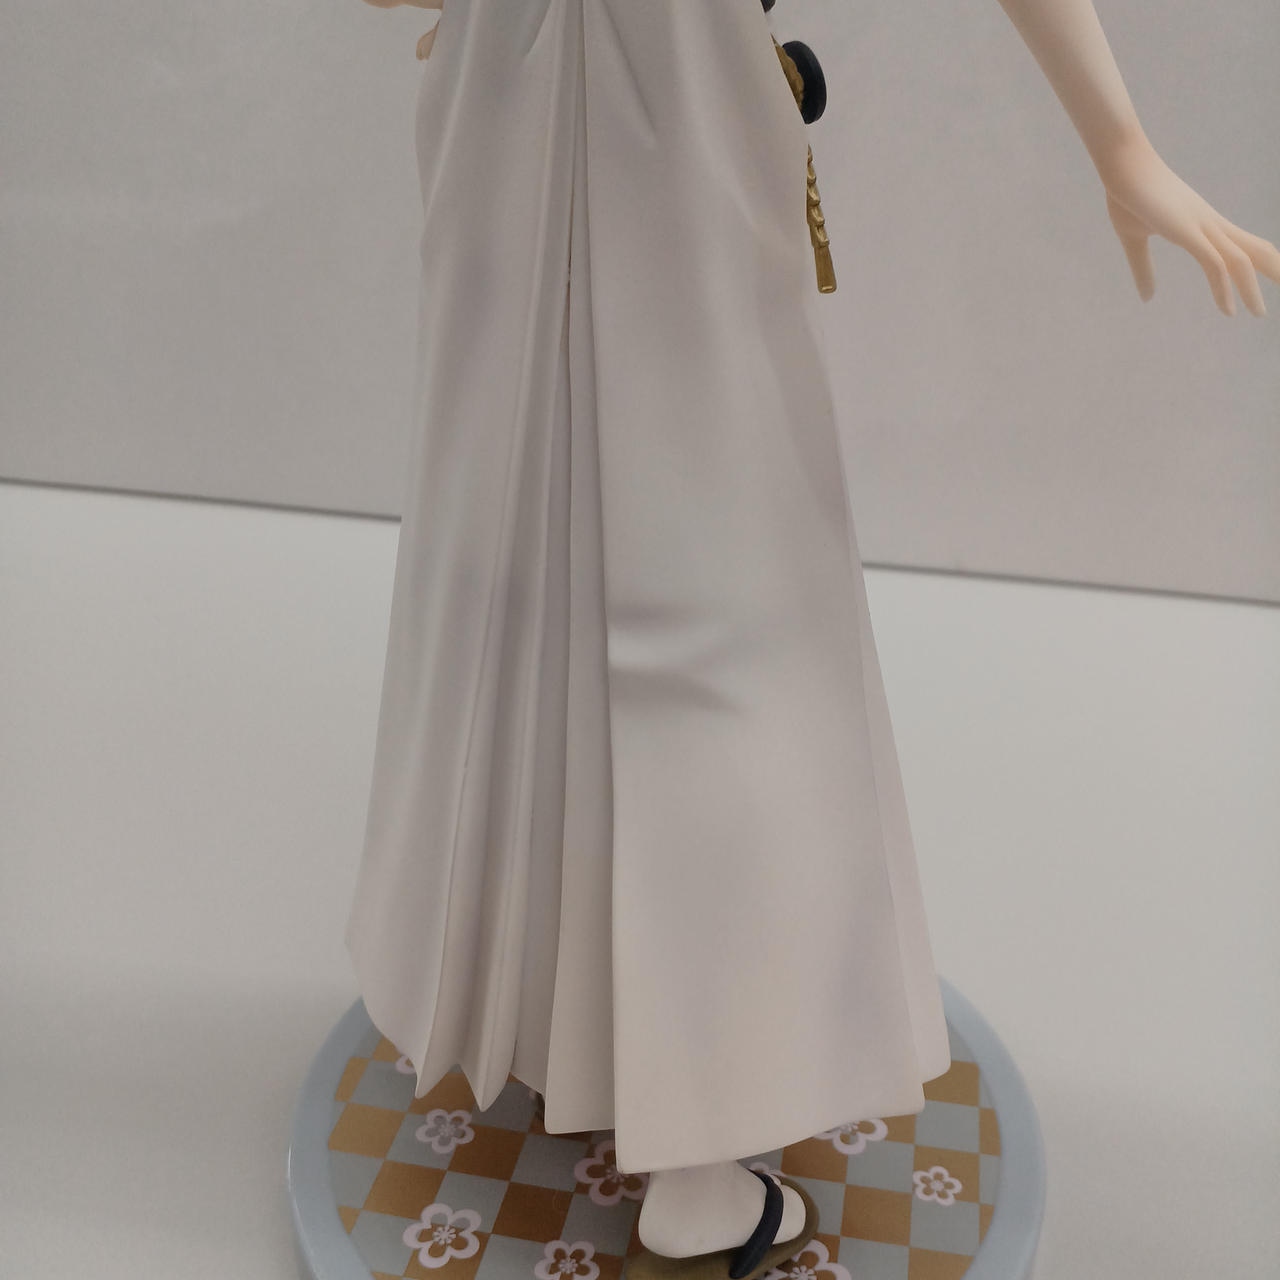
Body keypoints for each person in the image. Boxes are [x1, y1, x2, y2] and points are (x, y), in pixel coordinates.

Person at [348, 1, 1278, 1273]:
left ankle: (565, 1017)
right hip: (631, 104)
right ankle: (680, 1124)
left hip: (537, 95)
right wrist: (1119, 143)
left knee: (545, 560)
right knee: (699, 603)